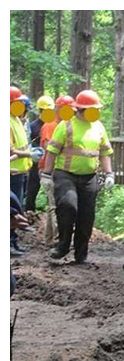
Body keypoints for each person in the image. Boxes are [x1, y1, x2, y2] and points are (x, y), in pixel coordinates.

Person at [42, 89, 114, 264]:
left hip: (89, 177)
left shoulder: (98, 127)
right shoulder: (65, 126)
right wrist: (46, 174)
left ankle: (81, 254)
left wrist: (109, 173)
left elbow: (104, 152)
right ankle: (63, 246)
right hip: (65, 175)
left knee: (86, 215)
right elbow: (51, 151)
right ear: (80, 110)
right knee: (68, 206)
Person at [38, 95, 74, 246]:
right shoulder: (50, 125)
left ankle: (49, 239)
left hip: (58, 170)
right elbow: (48, 147)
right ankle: (60, 239)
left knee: (52, 204)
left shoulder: (68, 125)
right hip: (49, 169)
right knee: (55, 205)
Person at [10, 86, 42, 256]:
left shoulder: (16, 120)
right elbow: (10, 150)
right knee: (10, 210)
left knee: (16, 208)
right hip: (11, 172)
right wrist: (30, 153)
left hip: (20, 171)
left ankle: (13, 241)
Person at [25, 95, 56, 214]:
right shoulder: (33, 126)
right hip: (36, 160)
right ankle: (29, 209)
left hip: (51, 160)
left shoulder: (55, 125)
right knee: (33, 185)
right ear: (40, 111)